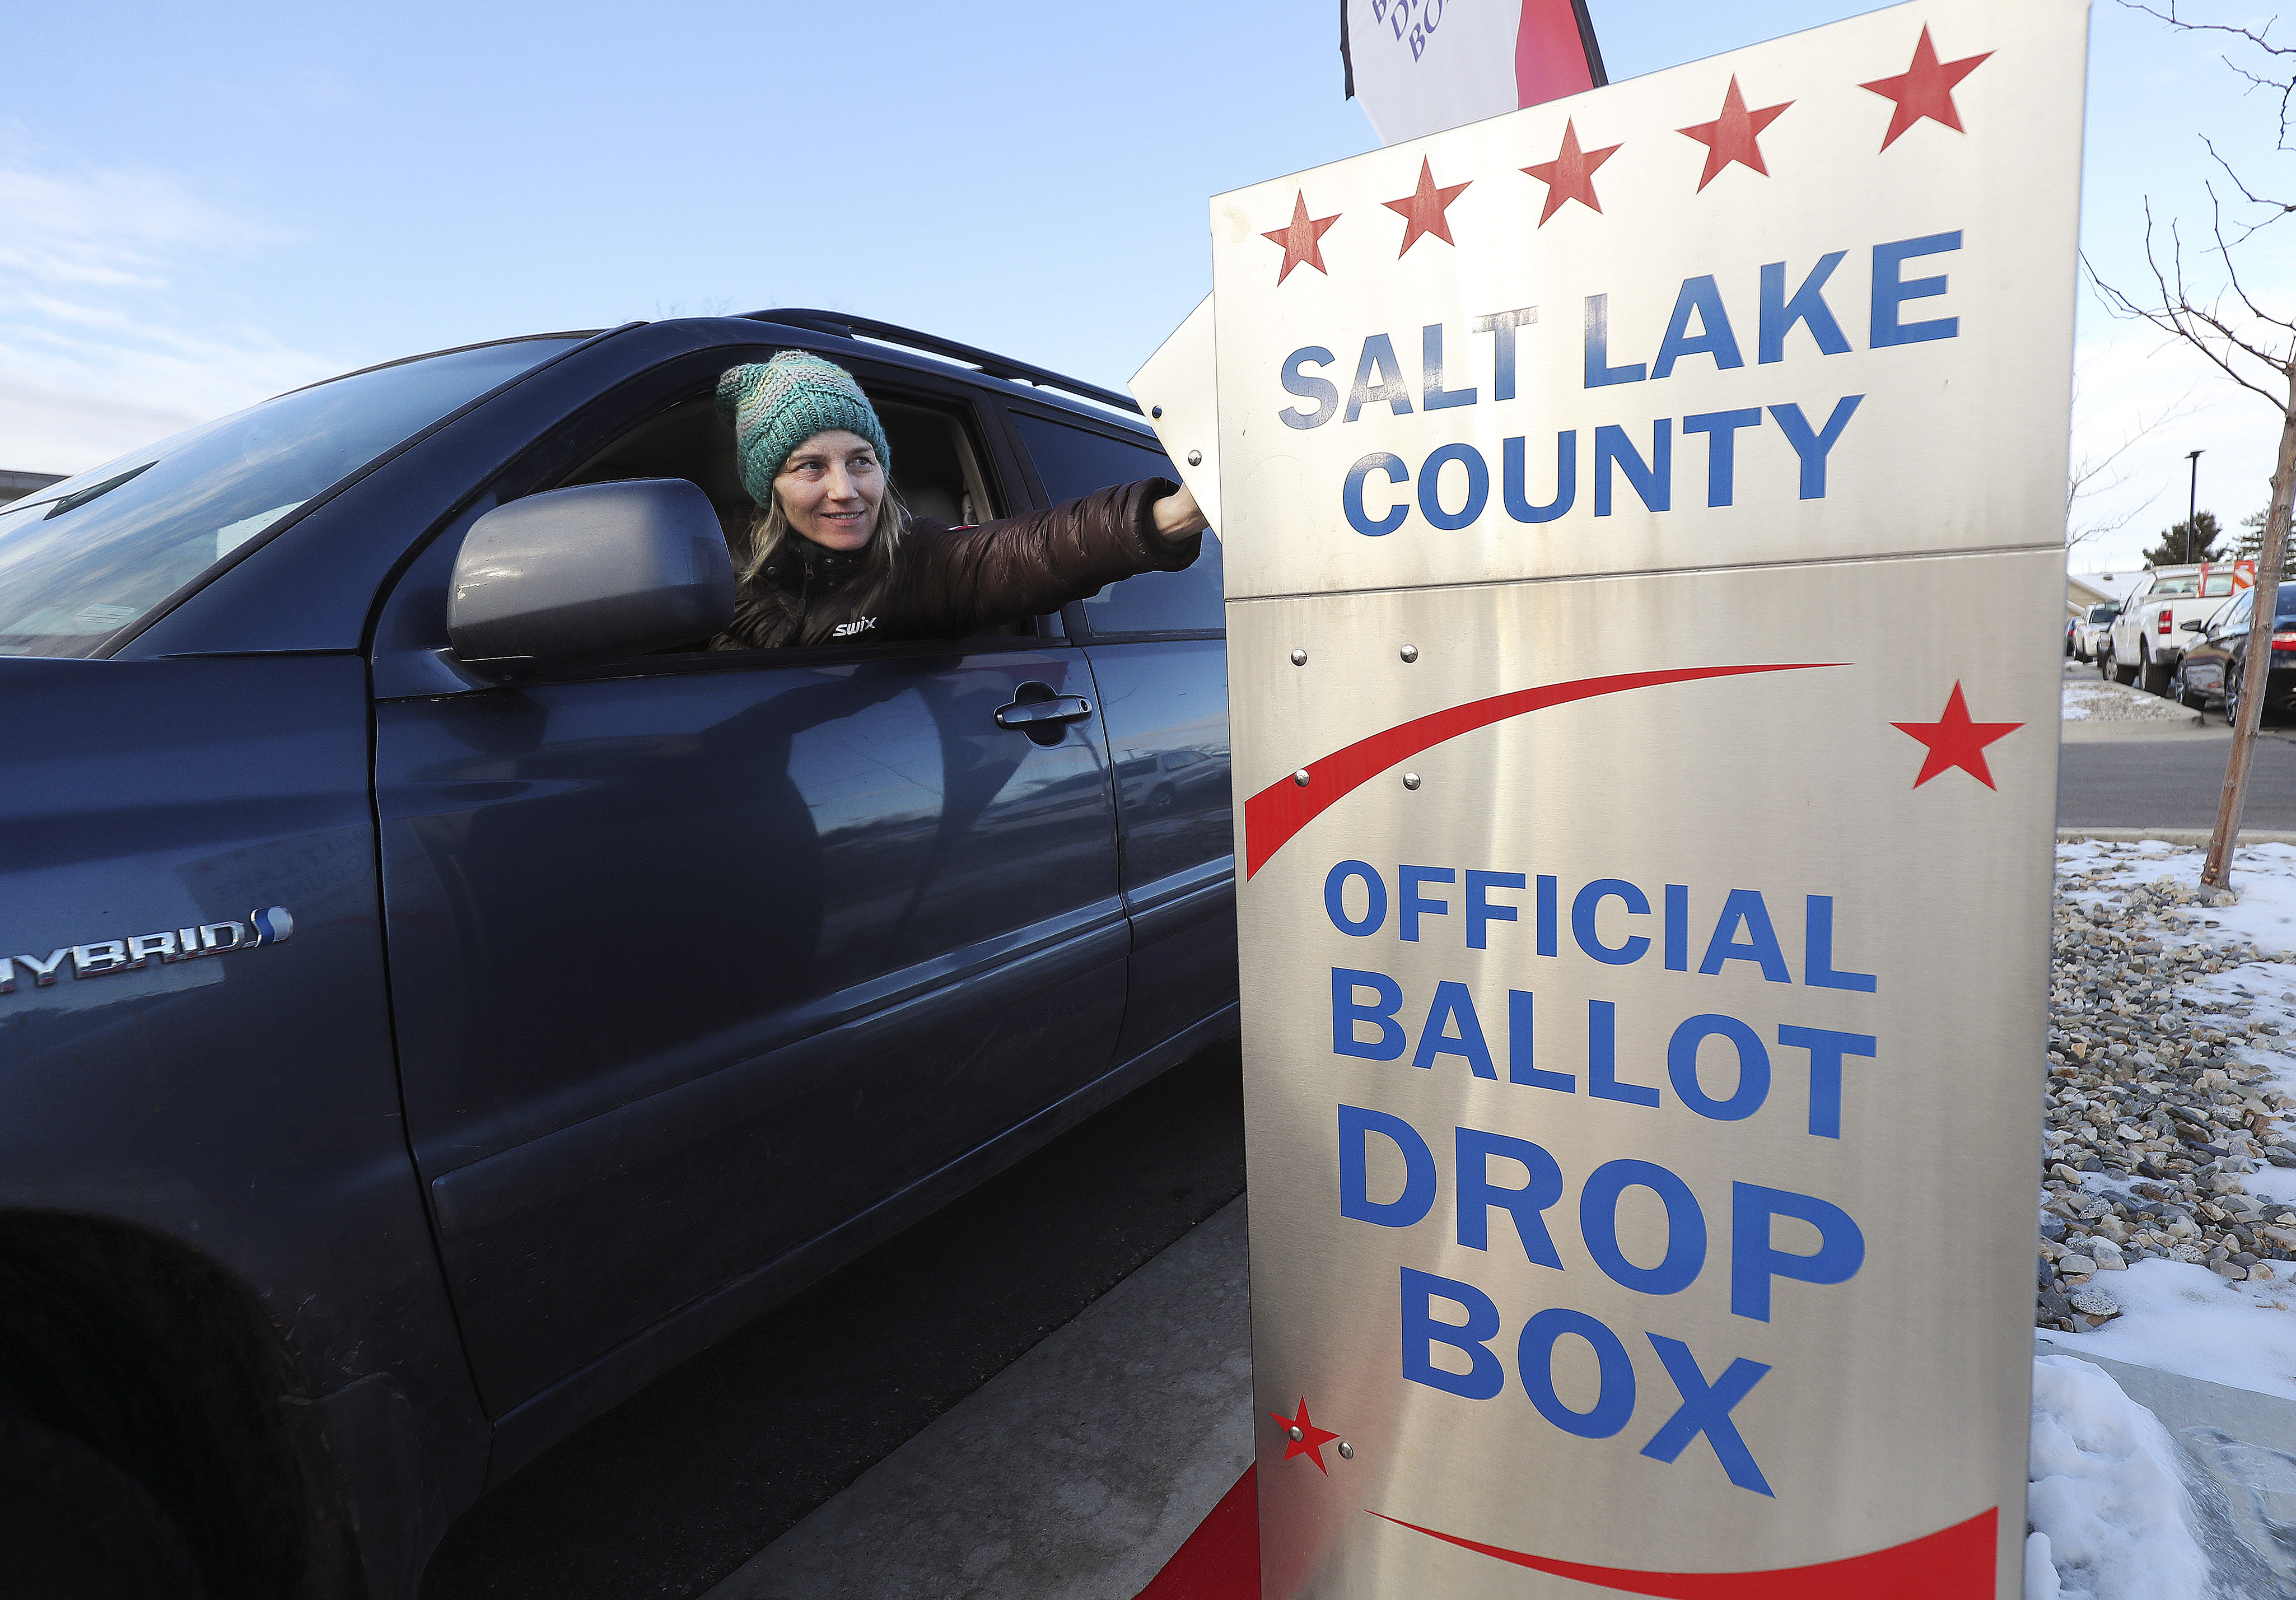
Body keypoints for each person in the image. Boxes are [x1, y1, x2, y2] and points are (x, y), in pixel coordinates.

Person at [711, 351, 1207, 650]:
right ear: (769, 489)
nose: (845, 490)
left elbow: (1030, 552)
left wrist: (1165, 517)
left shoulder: (917, 562)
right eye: (810, 467)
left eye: (861, 461)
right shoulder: (716, 579)